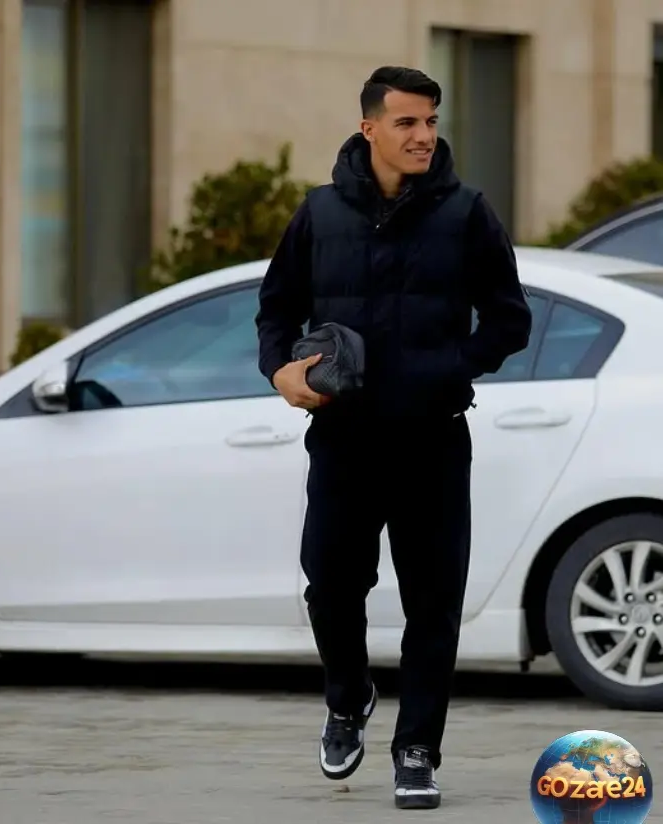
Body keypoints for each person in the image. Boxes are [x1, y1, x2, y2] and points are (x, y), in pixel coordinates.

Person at [255, 65, 532, 809]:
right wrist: (282, 372)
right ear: (369, 127)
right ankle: (348, 699)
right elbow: (275, 309)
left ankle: (417, 751)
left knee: (433, 604)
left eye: (431, 121)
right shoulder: (319, 214)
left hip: (432, 440)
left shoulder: (466, 213)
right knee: (330, 587)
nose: (423, 135)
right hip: (343, 438)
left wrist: (449, 368)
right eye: (407, 122)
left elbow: (510, 319)